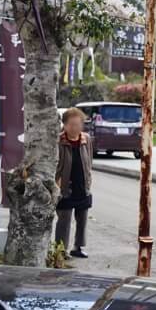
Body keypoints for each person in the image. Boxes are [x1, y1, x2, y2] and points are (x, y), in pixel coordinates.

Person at [55, 107, 94, 259]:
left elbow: (89, 160)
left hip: (82, 184)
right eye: (71, 124)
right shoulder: (59, 140)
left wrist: (88, 179)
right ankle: (60, 249)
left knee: (82, 218)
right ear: (64, 125)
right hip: (64, 186)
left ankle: (78, 247)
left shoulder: (86, 139)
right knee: (64, 219)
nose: (75, 127)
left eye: (78, 124)